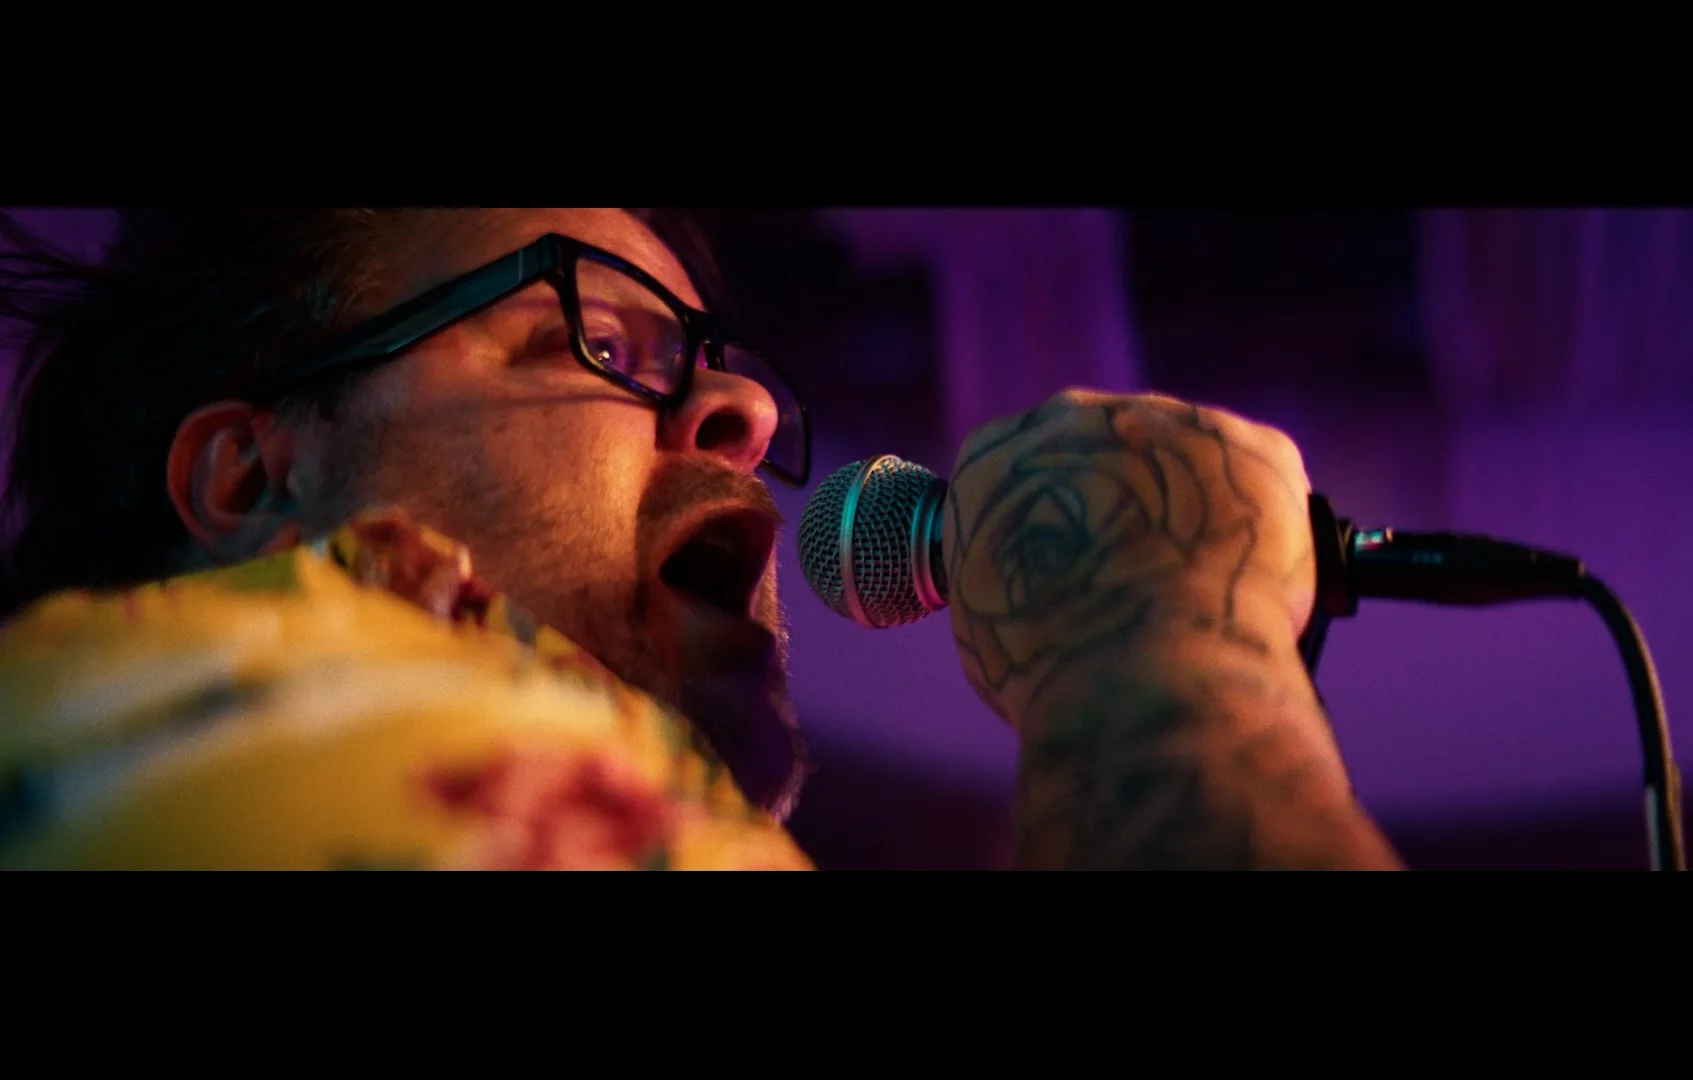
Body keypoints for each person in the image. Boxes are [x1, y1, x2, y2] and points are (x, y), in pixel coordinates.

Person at [0, 208, 1403, 870]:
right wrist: (1153, 639)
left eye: (712, 362)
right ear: (253, 477)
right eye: (601, 341)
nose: (746, 408)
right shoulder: (184, 713)